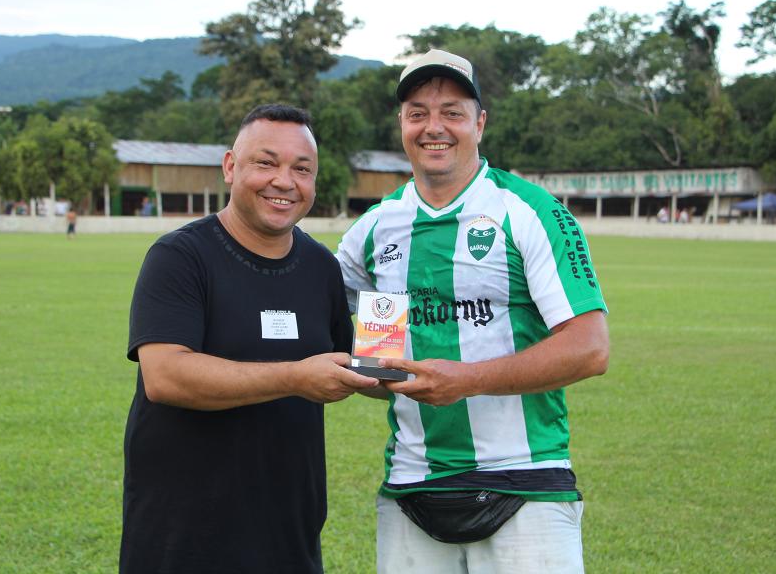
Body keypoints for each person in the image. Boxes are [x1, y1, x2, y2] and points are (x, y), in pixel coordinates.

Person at [336, 50, 610, 573]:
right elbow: (372, 350)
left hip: (526, 482)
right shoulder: (375, 228)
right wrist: (370, 374)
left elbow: (590, 347)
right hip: (411, 487)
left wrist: (468, 379)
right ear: (401, 124)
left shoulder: (530, 210)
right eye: (417, 112)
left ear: (479, 123)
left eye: (452, 112)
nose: (433, 127)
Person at [120, 104, 379, 573]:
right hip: (183, 542)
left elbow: (352, 365)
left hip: (288, 537)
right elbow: (165, 377)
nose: (284, 181)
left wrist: (411, 372)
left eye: (302, 169)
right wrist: (296, 377)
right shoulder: (179, 257)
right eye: (266, 162)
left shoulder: (322, 268)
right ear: (230, 167)